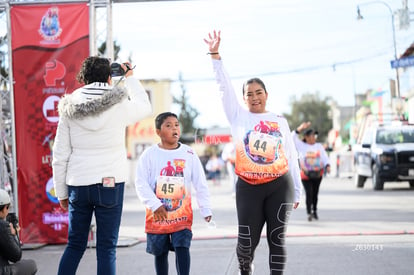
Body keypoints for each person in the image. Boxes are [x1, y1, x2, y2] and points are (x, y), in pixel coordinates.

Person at [204, 30, 302, 275]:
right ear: (244, 98)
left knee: (277, 239)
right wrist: (215, 56)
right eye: (249, 94)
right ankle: (245, 270)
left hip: (280, 185)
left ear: (266, 95)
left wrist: (297, 188)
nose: (255, 97)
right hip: (248, 187)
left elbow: (291, 156)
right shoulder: (238, 116)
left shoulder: (279, 120)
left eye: (259, 92)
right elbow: (224, 87)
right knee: (247, 241)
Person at [52, 56, 152, 275]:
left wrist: (61, 193)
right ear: (109, 77)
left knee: (75, 245)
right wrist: (129, 77)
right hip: (110, 182)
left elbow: (60, 154)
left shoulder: (69, 105)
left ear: (83, 77)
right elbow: (145, 107)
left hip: (78, 183)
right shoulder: (119, 103)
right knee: (106, 248)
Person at [134, 112, 212, 275]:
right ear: (158, 132)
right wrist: (155, 205)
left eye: (176, 124)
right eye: (168, 126)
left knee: (182, 246)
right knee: (160, 252)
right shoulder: (149, 155)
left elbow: (200, 182)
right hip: (158, 214)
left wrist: (205, 208)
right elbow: (140, 184)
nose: (174, 128)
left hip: (181, 214)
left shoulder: (189, 153)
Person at [292, 122, 331, 221]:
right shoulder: (301, 145)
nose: (314, 137)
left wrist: (328, 165)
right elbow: (292, 138)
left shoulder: (318, 146)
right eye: (312, 135)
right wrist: (299, 129)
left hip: (318, 174)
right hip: (306, 174)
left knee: (315, 193)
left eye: (315, 135)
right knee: (309, 193)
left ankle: (315, 211)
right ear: (307, 137)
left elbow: (324, 157)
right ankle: (309, 212)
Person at [0, 189, 37, 275]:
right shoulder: (3, 226)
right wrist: (14, 234)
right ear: (4, 208)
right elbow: (16, 256)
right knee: (31, 264)